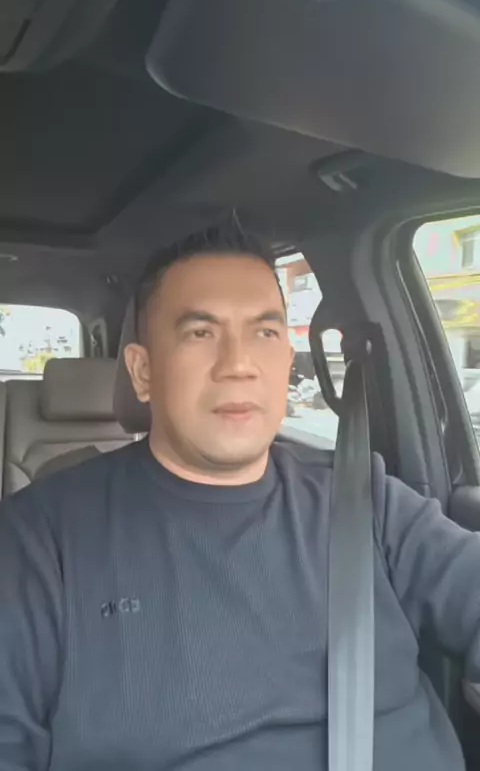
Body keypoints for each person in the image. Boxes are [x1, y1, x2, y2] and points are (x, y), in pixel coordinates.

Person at [0, 220, 479, 771]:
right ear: (143, 370)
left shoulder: (367, 501)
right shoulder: (38, 542)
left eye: (265, 333)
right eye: (200, 333)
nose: (238, 364)